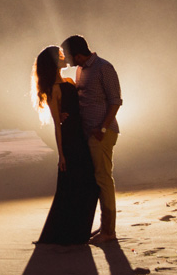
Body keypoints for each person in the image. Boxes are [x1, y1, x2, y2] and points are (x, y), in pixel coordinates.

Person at [32, 46, 100, 245]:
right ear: (54, 62)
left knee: (89, 184)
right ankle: (69, 234)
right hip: (70, 141)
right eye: (60, 56)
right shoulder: (53, 89)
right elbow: (57, 126)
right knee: (72, 185)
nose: (64, 58)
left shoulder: (70, 81)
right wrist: (61, 154)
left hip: (82, 135)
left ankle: (79, 230)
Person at [61, 35, 122, 244]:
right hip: (88, 134)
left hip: (102, 133)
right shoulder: (81, 70)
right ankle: (104, 227)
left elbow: (115, 101)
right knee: (96, 180)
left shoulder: (104, 67)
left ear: (77, 53)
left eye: (68, 56)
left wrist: (102, 128)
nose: (67, 62)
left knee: (104, 179)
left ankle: (109, 231)